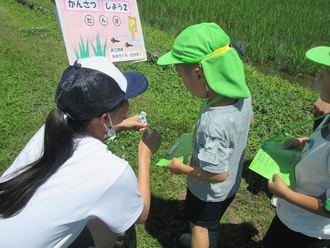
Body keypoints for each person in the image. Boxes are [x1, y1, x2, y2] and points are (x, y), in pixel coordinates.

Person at [0, 56, 161, 248]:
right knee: (107, 226)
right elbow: (141, 214)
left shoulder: (50, 130)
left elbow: (83, 133)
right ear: (105, 118)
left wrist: (120, 124)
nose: (128, 104)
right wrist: (145, 155)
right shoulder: (111, 170)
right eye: (124, 100)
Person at [157, 22, 254, 248]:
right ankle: (212, 234)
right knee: (211, 220)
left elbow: (217, 174)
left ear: (199, 75)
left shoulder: (213, 124)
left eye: (181, 75)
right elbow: (249, 120)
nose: (182, 81)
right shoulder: (242, 93)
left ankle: (202, 239)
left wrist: (181, 169)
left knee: (198, 224)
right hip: (230, 186)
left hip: (208, 191)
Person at [263, 46, 330, 247]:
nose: (320, 74)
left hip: (310, 233)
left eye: (326, 72)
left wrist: (285, 194)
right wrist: (303, 142)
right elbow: (321, 142)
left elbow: (327, 206)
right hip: (291, 214)